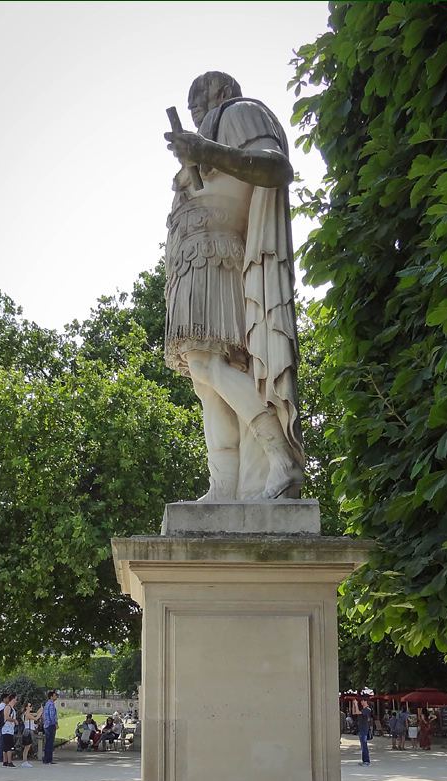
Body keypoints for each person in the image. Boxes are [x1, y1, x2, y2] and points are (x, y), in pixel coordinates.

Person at [164, 71, 304, 502]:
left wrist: (206, 150)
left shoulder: (239, 112)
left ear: (223, 93)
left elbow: (276, 167)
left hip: (218, 253)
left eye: (200, 105)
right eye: (192, 112)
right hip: (191, 262)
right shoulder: (215, 131)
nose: (197, 115)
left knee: (211, 367)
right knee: (203, 380)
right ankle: (224, 485)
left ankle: (280, 455)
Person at [21, 702, 42, 767]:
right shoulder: (27, 714)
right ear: (26, 707)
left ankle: (25, 761)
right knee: (27, 747)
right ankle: (24, 762)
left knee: (27, 747)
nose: (31, 707)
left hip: (27, 730)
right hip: (28, 731)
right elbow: (36, 718)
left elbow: (36, 714)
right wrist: (41, 712)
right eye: (30, 706)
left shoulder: (26, 714)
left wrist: (40, 709)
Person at [1, 693, 17, 768]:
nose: (16, 701)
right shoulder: (8, 707)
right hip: (7, 729)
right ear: (13, 699)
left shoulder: (11, 708)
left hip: (9, 729)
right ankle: (9, 762)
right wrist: (14, 720)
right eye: (16, 699)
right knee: (9, 746)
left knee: (5, 746)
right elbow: (6, 717)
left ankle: (5, 761)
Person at [42, 690, 58, 764]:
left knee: (48, 742)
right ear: (51, 696)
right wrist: (55, 723)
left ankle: (46, 759)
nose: (56, 696)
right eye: (55, 695)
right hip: (50, 725)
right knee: (50, 742)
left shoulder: (47, 704)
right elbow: (52, 716)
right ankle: (48, 759)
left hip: (46, 724)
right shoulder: (51, 704)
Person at [356, 702, 372, 766]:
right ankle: (364, 760)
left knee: (364, 745)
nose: (362, 702)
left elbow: (357, 712)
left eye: (363, 701)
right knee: (363, 746)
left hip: (364, 730)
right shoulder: (363, 710)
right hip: (361, 729)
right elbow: (355, 712)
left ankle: (367, 761)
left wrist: (355, 704)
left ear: (366, 702)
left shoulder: (367, 709)